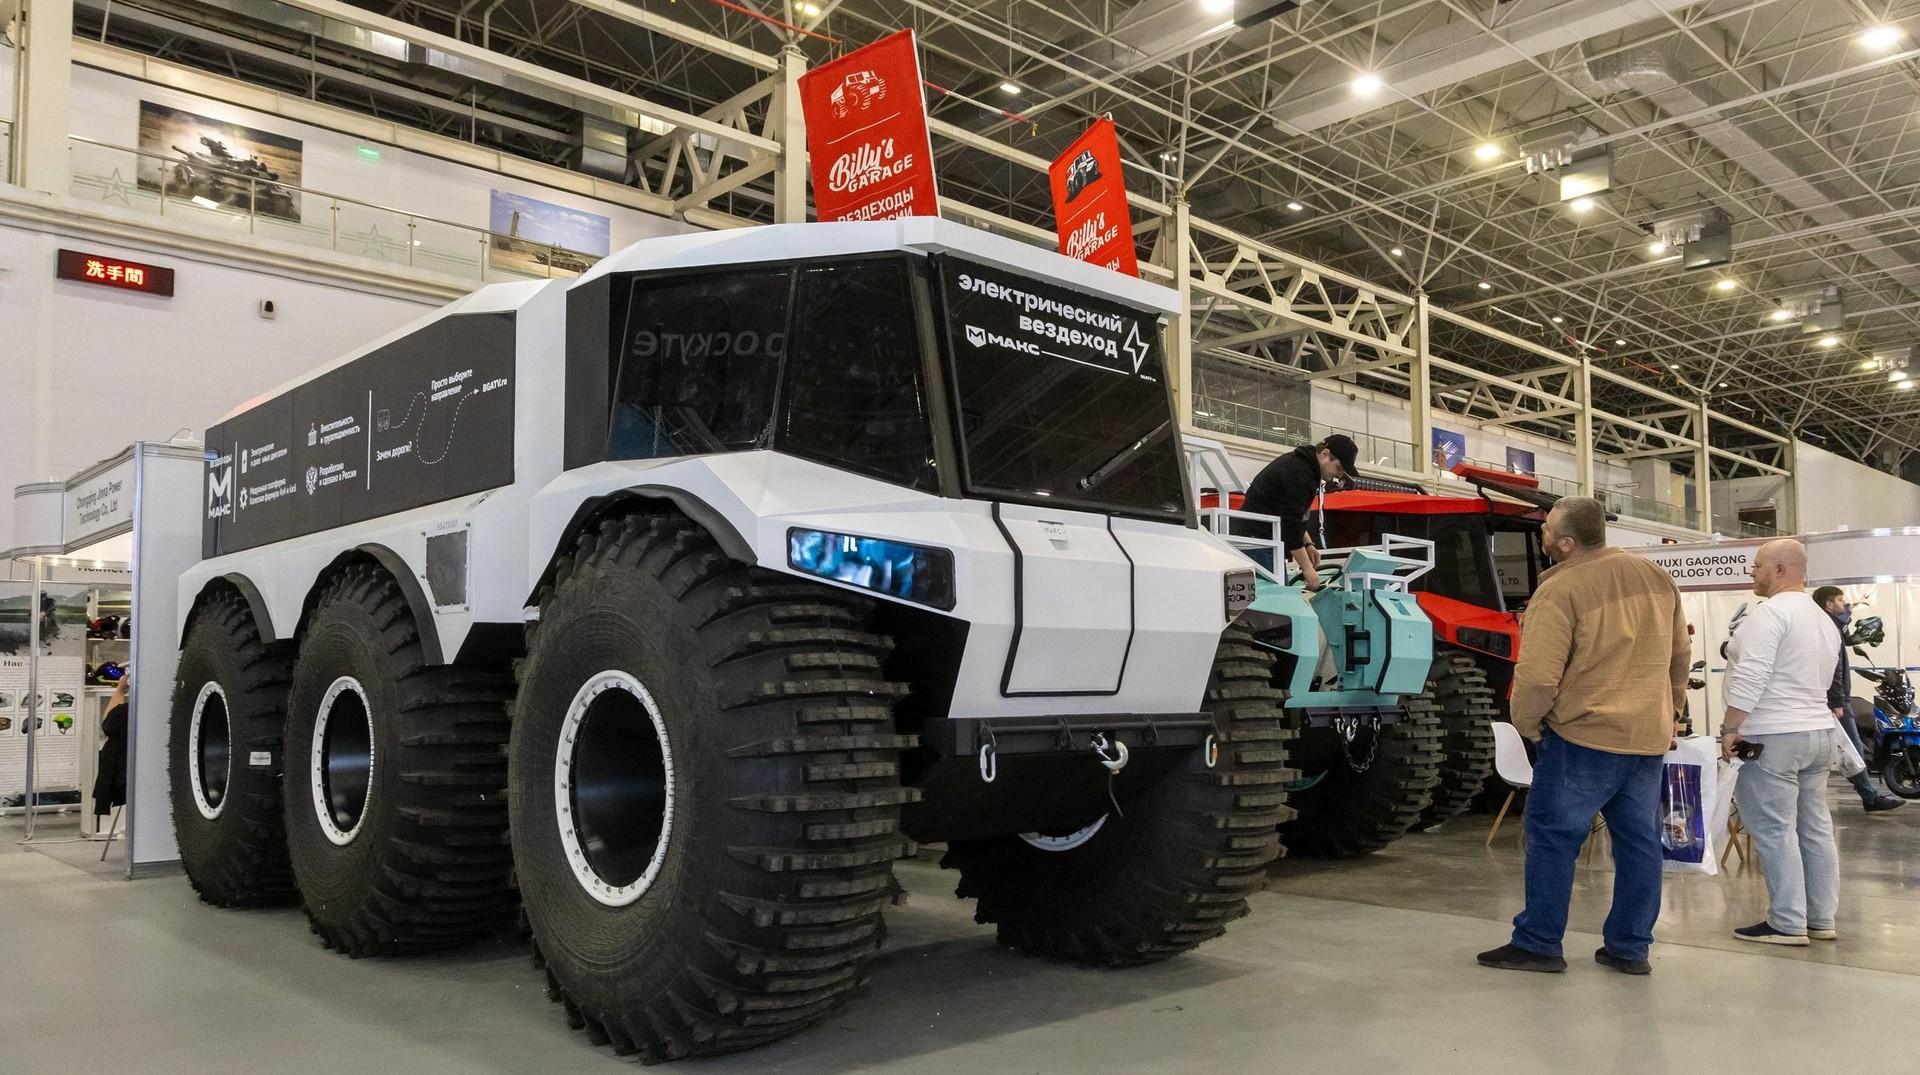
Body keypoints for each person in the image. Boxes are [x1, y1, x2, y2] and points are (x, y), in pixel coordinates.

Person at [1477, 496, 1689, 977]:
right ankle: (1630, 948)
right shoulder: (1656, 578)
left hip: (1583, 737)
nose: (1543, 535)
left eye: (1548, 529)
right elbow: (1679, 656)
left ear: (1567, 542)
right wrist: (1669, 715)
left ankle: (1538, 943)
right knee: (1639, 845)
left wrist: (1528, 726)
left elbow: (1537, 677)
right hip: (1646, 738)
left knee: (1553, 838)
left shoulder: (1560, 588)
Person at [1721, 541, 1845, 945]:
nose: (1752, 573)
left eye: (1757, 566)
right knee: (1815, 828)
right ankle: (1821, 918)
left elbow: (1751, 675)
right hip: (1818, 733)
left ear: (1779, 569)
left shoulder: (1770, 613)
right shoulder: (1823, 618)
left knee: (1775, 830)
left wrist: (1730, 727)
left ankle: (1788, 921)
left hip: (1773, 735)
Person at [1812, 585, 1904, 814]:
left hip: (1837, 698)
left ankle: (1868, 795)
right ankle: (1869, 797)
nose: (1844, 604)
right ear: (1828, 605)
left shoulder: (1829, 626)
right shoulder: (1828, 628)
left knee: (1852, 748)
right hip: (1837, 700)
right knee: (1853, 749)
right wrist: (1836, 701)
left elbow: (1846, 630)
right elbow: (1833, 668)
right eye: (1840, 600)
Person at [1240, 434, 1358, 591]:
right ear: (1325, 455)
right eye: (1339, 468)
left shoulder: (1302, 466)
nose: (1340, 475)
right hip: (1257, 541)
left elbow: (1294, 516)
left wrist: (1308, 544)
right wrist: (1307, 568)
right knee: (1275, 596)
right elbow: (1290, 524)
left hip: (1260, 539)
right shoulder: (1299, 473)